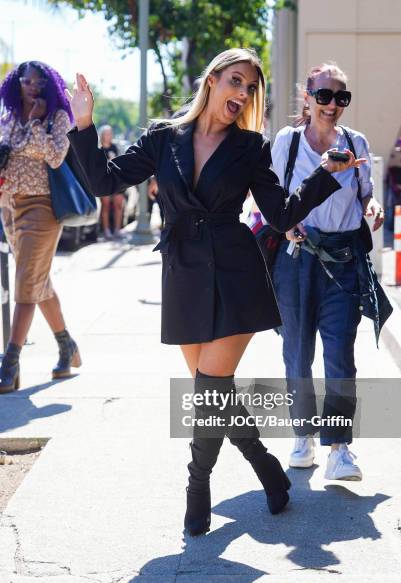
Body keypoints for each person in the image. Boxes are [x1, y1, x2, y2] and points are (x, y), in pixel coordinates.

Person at [65, 49, 363, 536]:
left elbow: (283, 214)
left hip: (236, 274)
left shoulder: (250, 147)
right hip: (183, 274)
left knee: (207, 390)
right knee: (214, 394)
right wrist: (84, 123)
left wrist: (324, 176)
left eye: (250, 87)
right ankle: (267, 467)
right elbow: (104, 181)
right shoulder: (163, 137)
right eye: (236, 81)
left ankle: (197, 486)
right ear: (212, 80)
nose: (242, 93)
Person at [271, 61, 388, 481]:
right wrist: (287, 221)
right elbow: (270, 197)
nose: (332, 104)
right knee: (297, 352)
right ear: (308, 96)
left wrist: (371, 210)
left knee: (341, 355)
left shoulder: (356, 142)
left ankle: (339, 448)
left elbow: (365, 196)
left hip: (342, 262)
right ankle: (302, 436)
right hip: (298, 260)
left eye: (341, 97)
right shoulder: (287, 142)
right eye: (324, 95)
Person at [0, 60, 81, 394]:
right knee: (36, 281)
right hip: (9, 207)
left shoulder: (56, 118)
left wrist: (35, 122)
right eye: (26, 81)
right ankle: (67, 346)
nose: (32, 87)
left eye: (39, 82)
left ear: (49, 87)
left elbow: (56, 156)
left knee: (26, 285)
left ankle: (10, 362)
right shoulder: (8, 117)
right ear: (16, 84)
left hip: (42, 208)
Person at [98, 124, 125, 239]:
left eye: (110, 134)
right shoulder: (99, 149)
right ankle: (106, 230)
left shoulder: (116, 147)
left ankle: (117, 230)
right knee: (106, 206)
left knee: (119, 205)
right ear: (102, 135)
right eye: (106, 134)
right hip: (104, 181)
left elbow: (121, 161)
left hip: (116, 180)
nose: (109, 136)